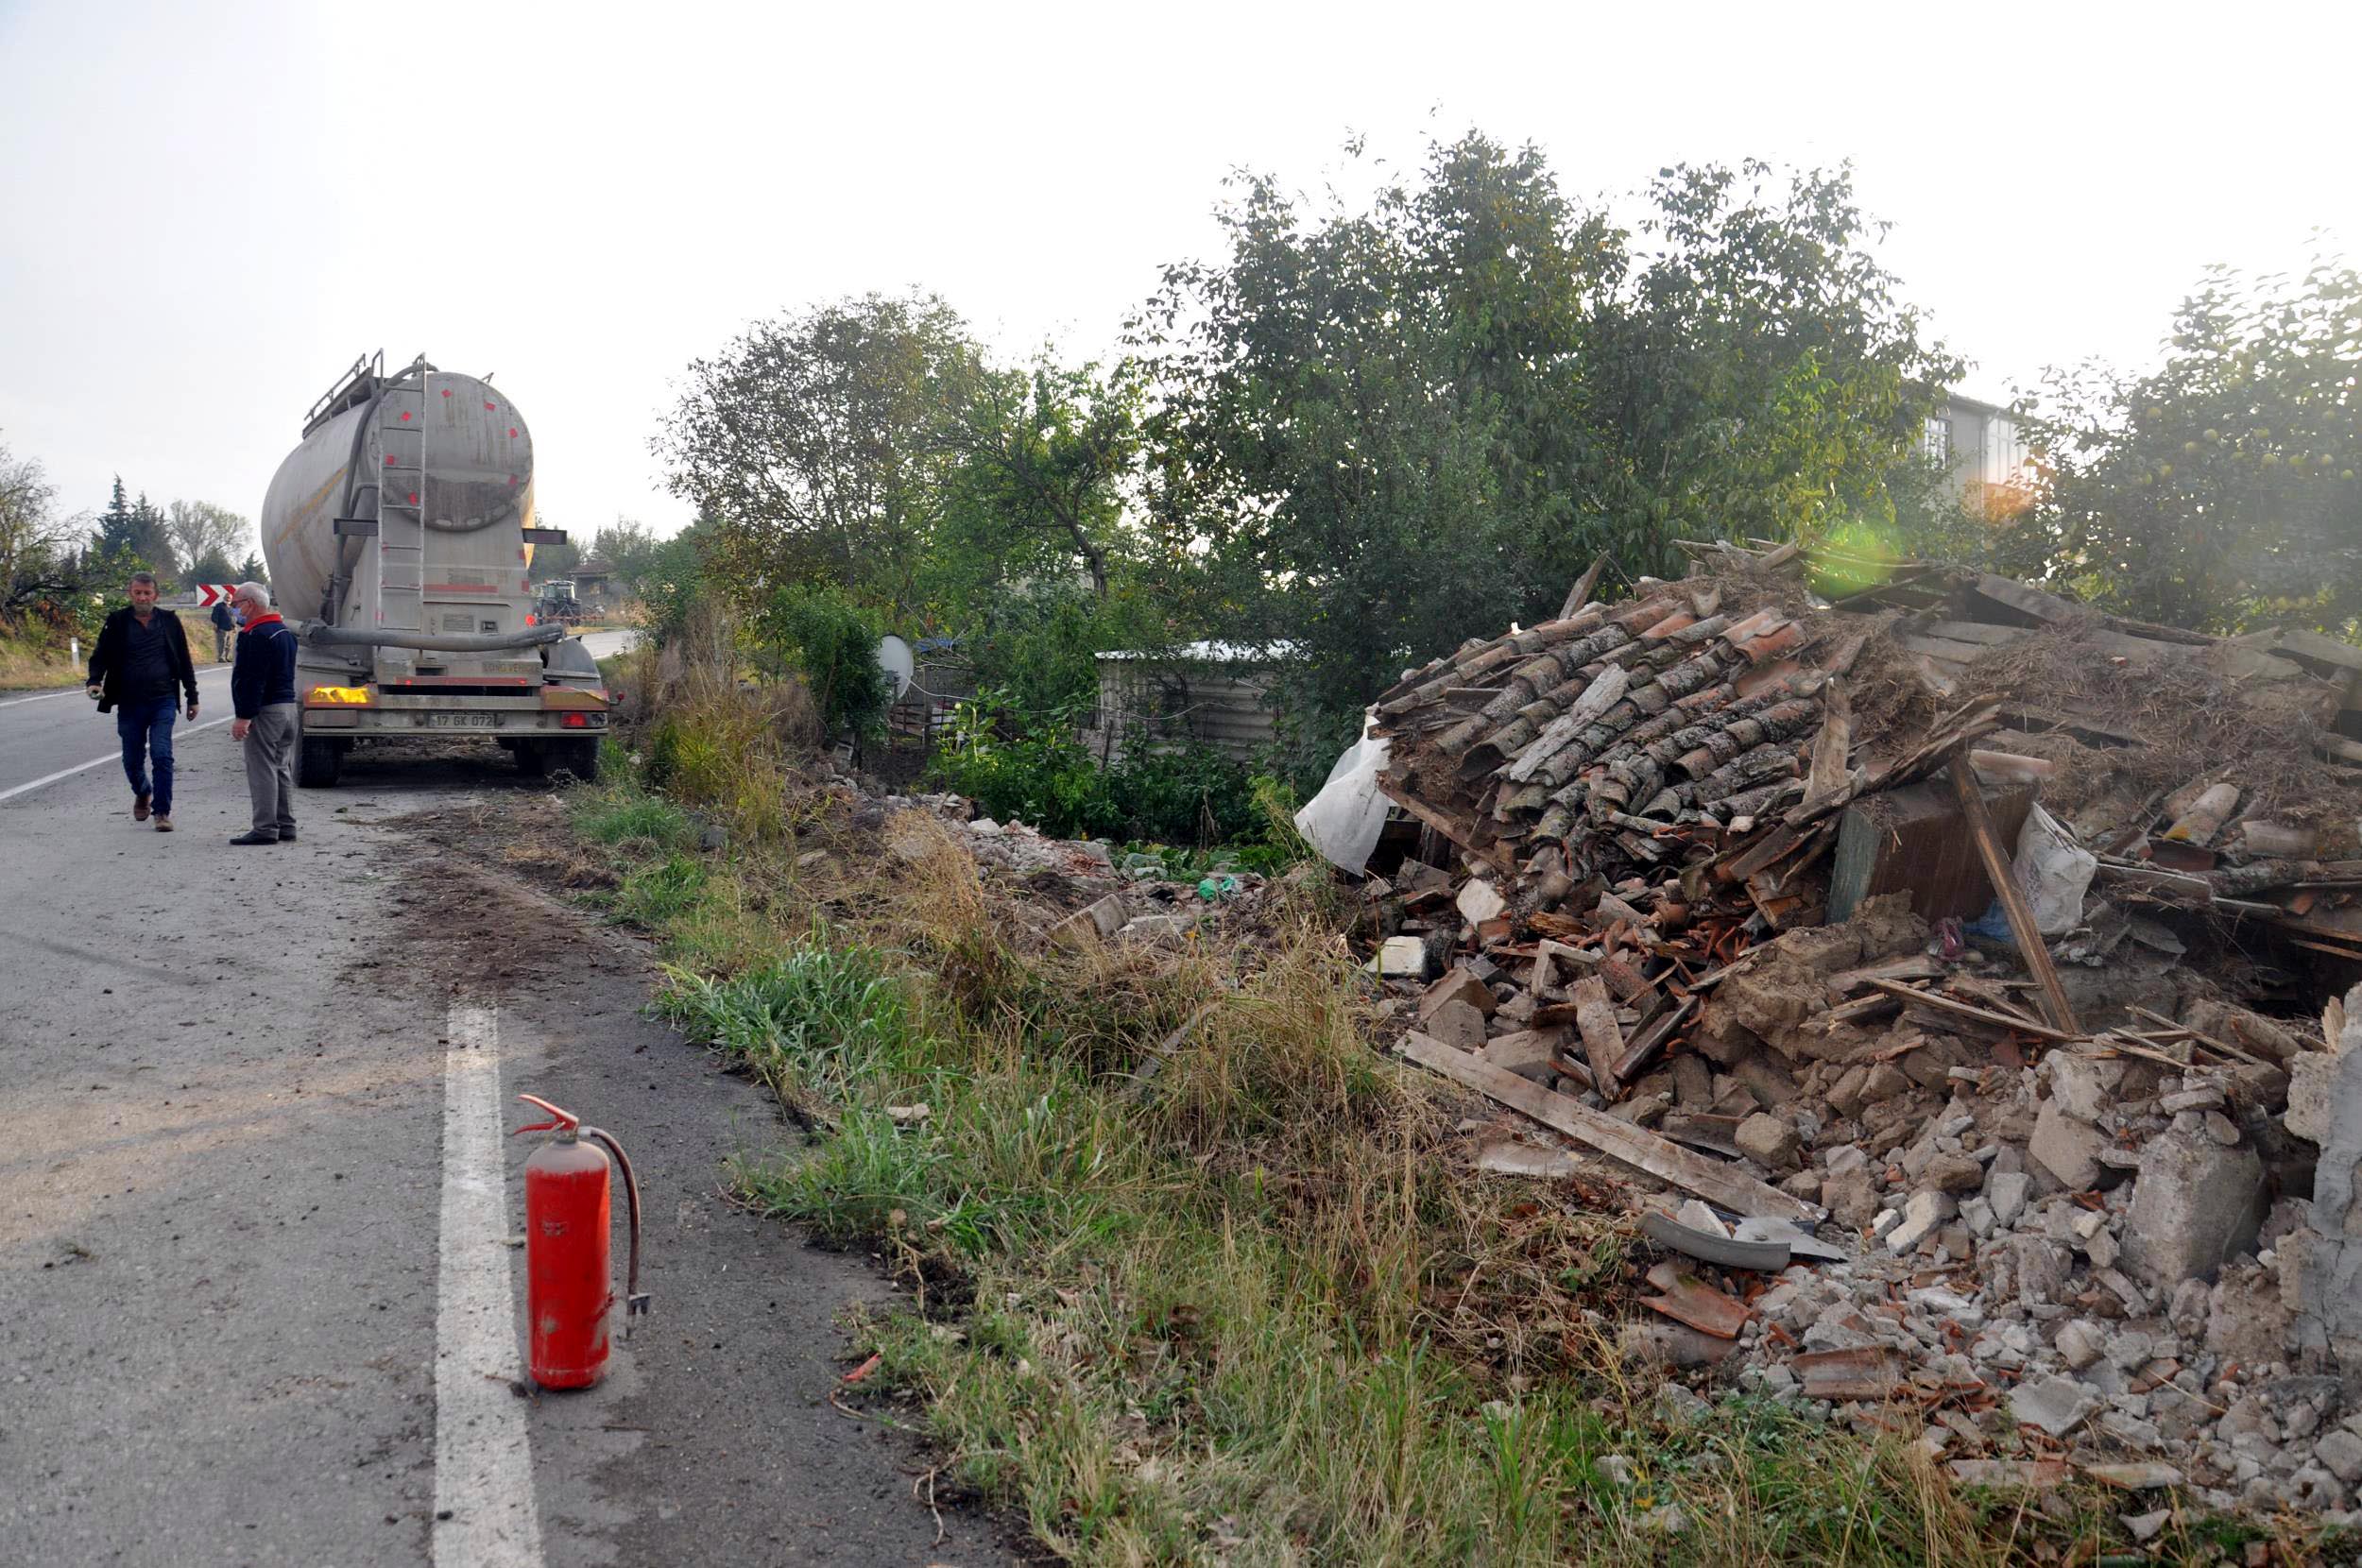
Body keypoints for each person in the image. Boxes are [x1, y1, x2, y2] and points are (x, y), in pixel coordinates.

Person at [85, 571, 199, 833]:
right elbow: (100, 655)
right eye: (138, 592)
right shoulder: (117, 621)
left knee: (162, 755)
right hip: (129, 702)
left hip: (163, 700)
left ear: (155, 595)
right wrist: (94, 681)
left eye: (147, 593)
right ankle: (143, 791)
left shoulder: (169, 621)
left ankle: (162, 812)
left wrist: (192, 697)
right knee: (132, 759)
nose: (142, 597)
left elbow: (184, 661)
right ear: (131, 594)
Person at [227, 581, 300, 845]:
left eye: (236, 604)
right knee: (280, 767)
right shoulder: (283, 633)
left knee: (262, 769)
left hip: (266, 711)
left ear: (250, 604)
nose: (234, 610)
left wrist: (243, 716)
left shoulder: (255, 636)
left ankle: (265, 828)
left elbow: (252, 679)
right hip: (288, 709)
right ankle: (286, 824)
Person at [209, 596, 234, 661]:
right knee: (222, 643)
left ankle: (227, 657)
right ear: (224, 598)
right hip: (222, 628)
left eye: (230, 597)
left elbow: (233, 618)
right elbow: (214, 615)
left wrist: (234, 626)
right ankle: (221, 658)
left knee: (229, 644)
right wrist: (215, 624)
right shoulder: (219, 606)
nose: (228, 599)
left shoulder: (231, 607)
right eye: (227, 597)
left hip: (230, 628)